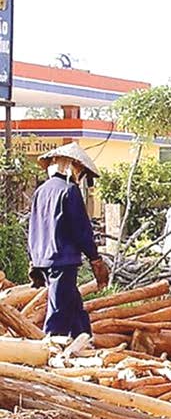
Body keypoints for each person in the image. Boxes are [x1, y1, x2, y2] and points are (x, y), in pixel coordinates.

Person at [27, 143, 109, 338]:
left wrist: (33, 258)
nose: (80, 177)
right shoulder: (69, 191)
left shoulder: (41, 191)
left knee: (72, 303)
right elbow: (81, 229)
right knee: (59, 310)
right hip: (62, 258)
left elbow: (34, 227)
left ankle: (84, 339)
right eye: (80, 171)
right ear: (73, 166)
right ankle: (50, 347)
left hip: (44, 257)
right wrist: (95, 258)